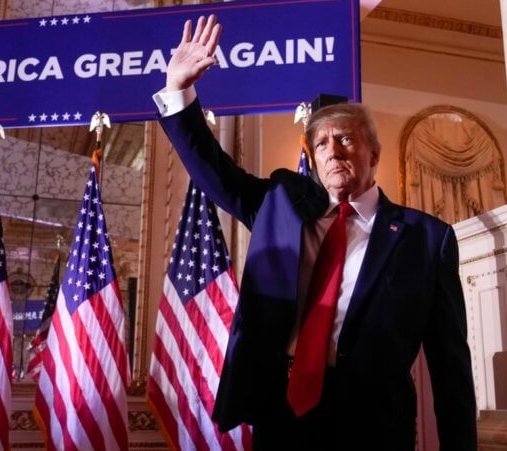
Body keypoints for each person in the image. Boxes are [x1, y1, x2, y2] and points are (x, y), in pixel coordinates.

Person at [153, 15, 476, 451]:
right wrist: (178, 91)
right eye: (321, 143)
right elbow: (215, 171)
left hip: (376, 425)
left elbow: (450, 363)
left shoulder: (427, 239)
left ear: (374, 153)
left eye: (345, 139)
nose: (332, 151)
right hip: (283, 415)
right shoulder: (281, 205)